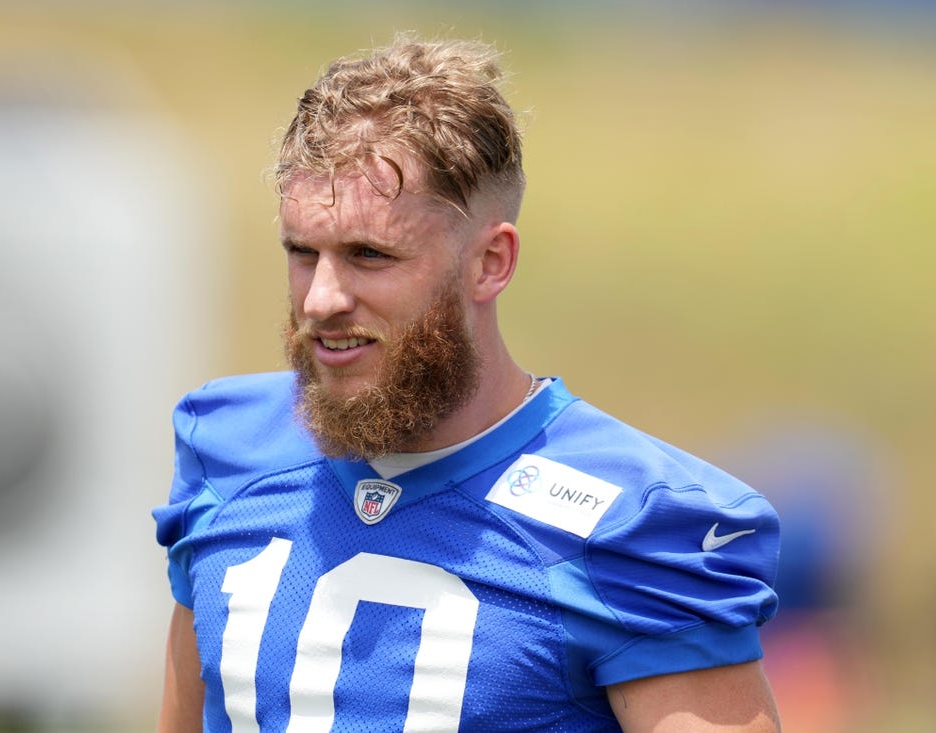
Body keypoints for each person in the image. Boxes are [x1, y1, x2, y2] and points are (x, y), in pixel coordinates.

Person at [153, 35, 781, 733]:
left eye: (369, 254)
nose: (321, 298)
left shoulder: (636, 524)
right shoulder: (230, 445)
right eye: (303, 253)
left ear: (490, 262)